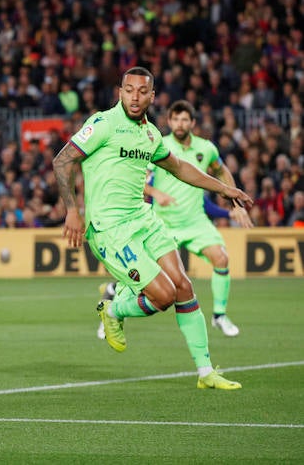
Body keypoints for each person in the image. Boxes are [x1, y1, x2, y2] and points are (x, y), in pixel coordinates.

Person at [52, 66, 252, 390]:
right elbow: (62, 160)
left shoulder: (151, 135)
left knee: (184, 287)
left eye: (142, 91)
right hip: (110, 229)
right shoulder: (103, 124)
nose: (135, 96)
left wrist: (225, 189)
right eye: (129, 90)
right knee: (163, 296)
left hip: (144, 220)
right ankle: (114, 309)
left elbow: (180, 168)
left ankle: (206, 373)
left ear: (152, 95)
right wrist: (72, 211)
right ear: (120, 91)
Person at [96, 99, 253, 340]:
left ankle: (219, 315)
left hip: (196, 221)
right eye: (176, 119)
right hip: (163, 223)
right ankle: (113, 300)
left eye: (184, 119)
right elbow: (140, 181)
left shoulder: (206, 148)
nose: (180, 123)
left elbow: (221, 170)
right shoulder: (157, 144)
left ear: (192, 123)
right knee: (148, 280)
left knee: (221, 258)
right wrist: (155, 193)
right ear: (169, 122)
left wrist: (235, 203)